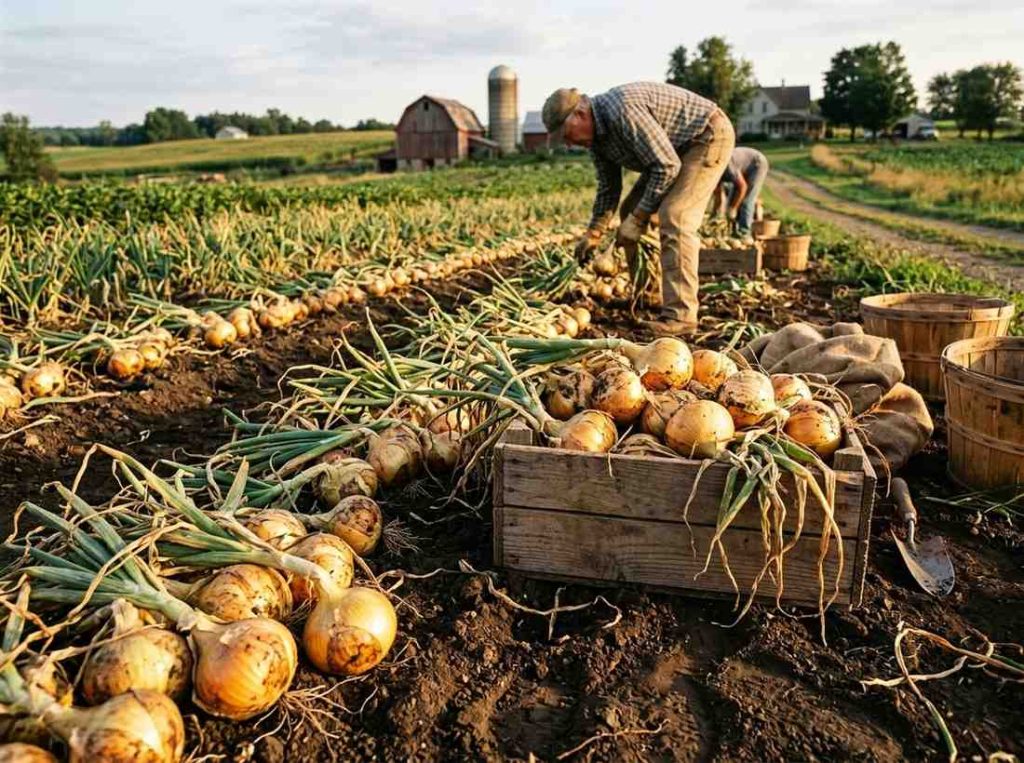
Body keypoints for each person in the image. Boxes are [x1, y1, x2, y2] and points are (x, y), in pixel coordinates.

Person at [543, 82, 735, 334]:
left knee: (675, 216)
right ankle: (648, 294)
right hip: (675, 152)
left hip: (706, 136)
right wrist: (594, 233)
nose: (568, 144)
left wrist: (639, 219)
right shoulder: (597, 141)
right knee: (629, 208)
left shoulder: (622, 111)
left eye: (567, 135)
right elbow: (608, 188)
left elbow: (666, 167)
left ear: (579, 114)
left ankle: (681, 317)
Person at [715, 147, 769, 236]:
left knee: (747, 200)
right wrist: (716, 215)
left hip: (757, 164)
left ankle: (744, 232)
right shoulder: (714, 173)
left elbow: (743, 187)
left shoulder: (728, 167)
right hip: (743, 167)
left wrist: (733, 208)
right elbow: (718, 195)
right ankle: (733, 230)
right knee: (732, 199)